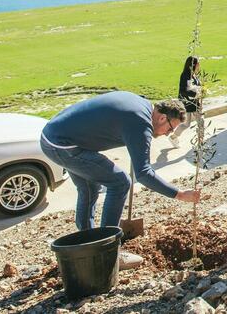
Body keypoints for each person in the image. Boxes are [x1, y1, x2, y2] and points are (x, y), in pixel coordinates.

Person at [40, 92, 200, 266]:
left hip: (52, 136)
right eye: (170, 129)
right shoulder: (141, 124)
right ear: (162, 118)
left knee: (89, 187)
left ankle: (87, 245)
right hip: (63, 145)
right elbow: (144, 173)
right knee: (120, 182)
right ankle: (109, 251)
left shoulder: (142, 104)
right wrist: (179, 194)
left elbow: (122, 122)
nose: (167, 134)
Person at [170, 56, 202, 147]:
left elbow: (196, 86)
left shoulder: (193, 74)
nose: (199, 65)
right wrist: (196, 94)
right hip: (188, 103)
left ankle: (201, 141)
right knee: (189, 123)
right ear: (193, 64)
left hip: (194, 103)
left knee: (197, 122)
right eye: (198, 63)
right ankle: (173, 137)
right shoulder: (185, 75)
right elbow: (184, 91)